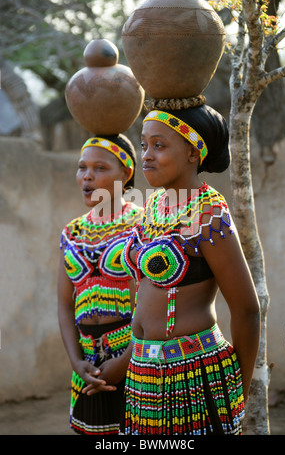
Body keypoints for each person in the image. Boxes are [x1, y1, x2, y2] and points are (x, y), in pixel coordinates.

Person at [121, 103, 261, 435]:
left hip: (194, 378)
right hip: (143, 375)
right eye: (144, 145)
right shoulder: (154, 204)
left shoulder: (208, 213)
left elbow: (247, 310)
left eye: (160, 145)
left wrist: (234, 390)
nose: (147, 155)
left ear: (192, 153)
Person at [57, 134, 143, 435]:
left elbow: (152, 303)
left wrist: (124, 360)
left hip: (135, 358)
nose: (87, 176)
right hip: (88, 365)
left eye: (100, 168)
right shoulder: (72, 233)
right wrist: (76, 362)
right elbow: (65, 304)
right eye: (82, 167)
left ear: (126, 173)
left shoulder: (142, 228)